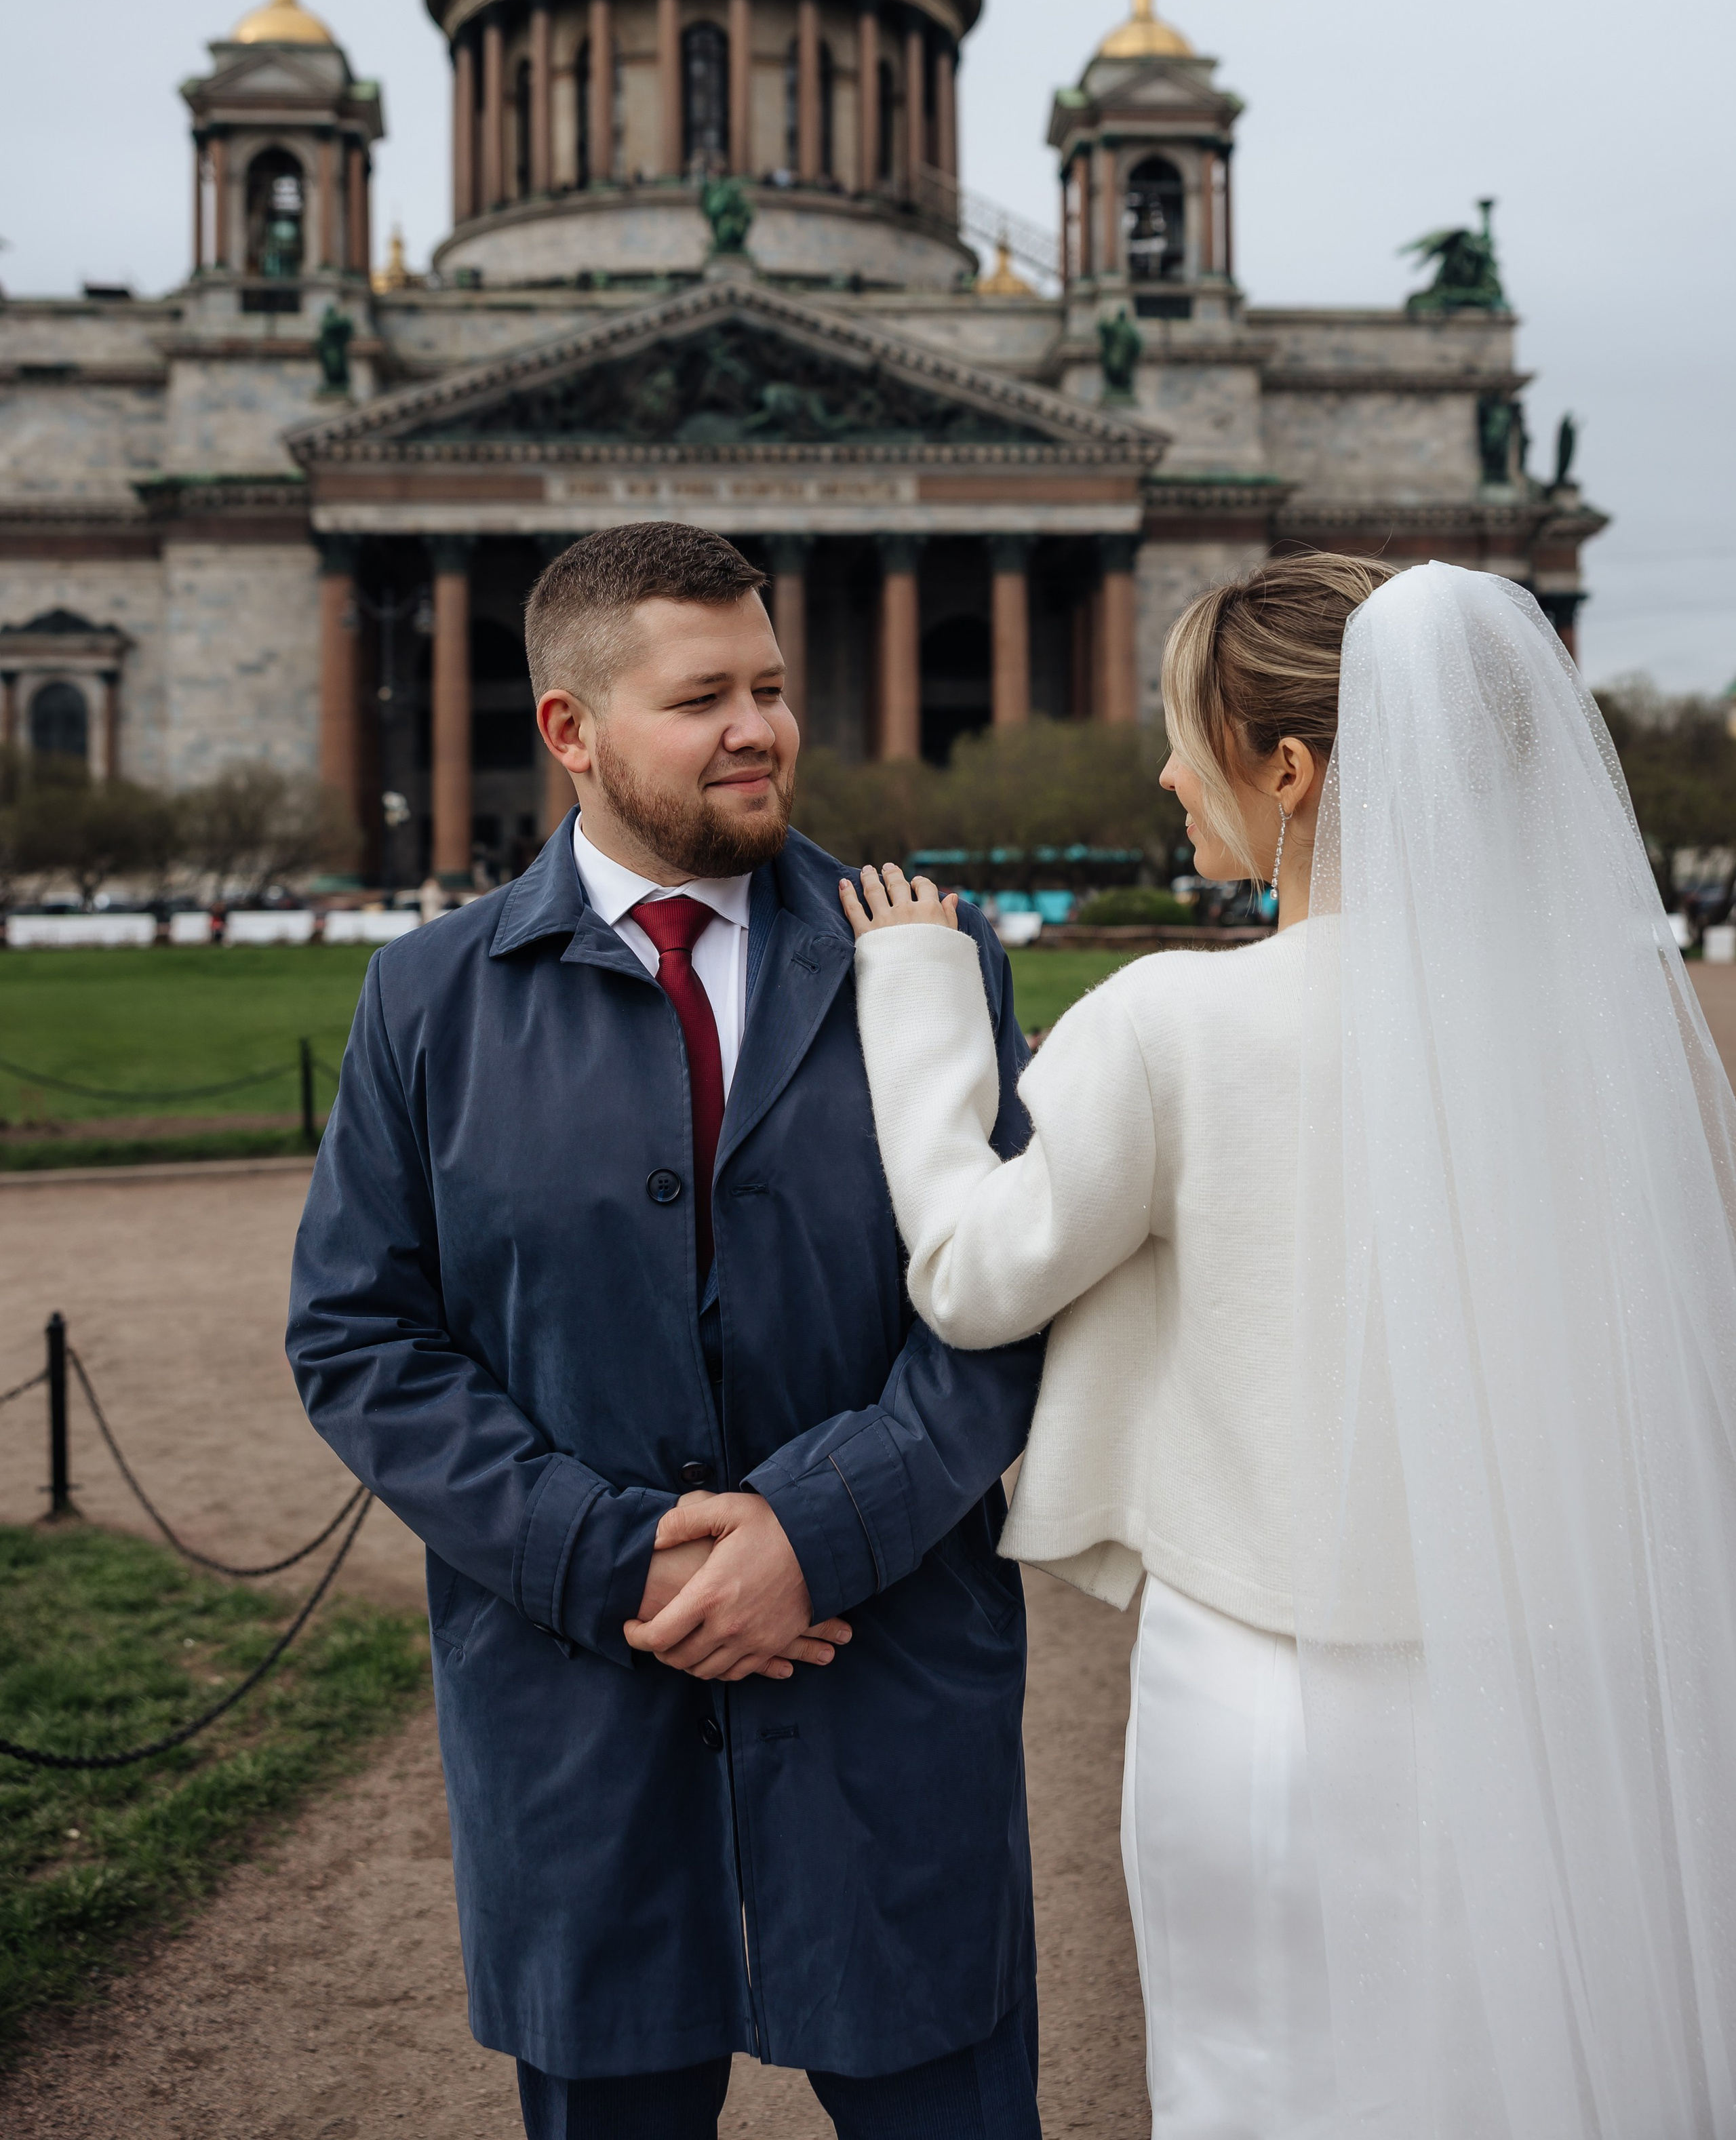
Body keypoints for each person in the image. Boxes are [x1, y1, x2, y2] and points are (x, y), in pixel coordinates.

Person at [844, 553, 1736, 2140]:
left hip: (1268, 1680)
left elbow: (976, 1276)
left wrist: (916, 1006)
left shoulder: (1175, 1021)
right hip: (1563, 1663)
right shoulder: (1601, 1023)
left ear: (1292, 771)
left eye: (1186, 734)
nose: (1166, 773)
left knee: (1269, 2080)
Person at [287, 523, 1046, 2140]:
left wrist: (813, 1536)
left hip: (885, 1687)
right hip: (580, 1710)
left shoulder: (928, 958)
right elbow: (360, 1337)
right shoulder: (426, 999)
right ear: (570, 731)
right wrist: (614, 1556)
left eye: (768, 686)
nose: (759, 726)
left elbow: (1001, 1309)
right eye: (703, 697)